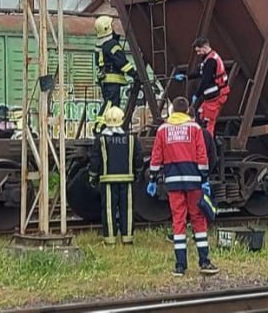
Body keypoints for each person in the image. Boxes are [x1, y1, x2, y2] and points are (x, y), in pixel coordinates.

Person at [147, 96, 219, 276]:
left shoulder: (163, 130)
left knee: (178, 221)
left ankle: (180, 266)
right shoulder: (195, 128)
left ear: (172, 110)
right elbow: (202, 156)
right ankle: (204, 261)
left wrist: (153, 178)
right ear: (187, 110)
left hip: (173, 182)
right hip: (194, 181)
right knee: (198, 219)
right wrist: (204, 179)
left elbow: (156, 156)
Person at [88, 106, 142, 245]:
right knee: (128, 209)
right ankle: (127, 238)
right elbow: (138, 159)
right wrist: (138, 173)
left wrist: (92, 176)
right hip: (127, 179)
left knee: (108, 210)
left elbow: (95, 159)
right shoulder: (131, 139)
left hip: (107, 180)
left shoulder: (100, 139)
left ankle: (110, 239)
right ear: (122, 120)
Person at [173, 37, 229, 137]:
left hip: (216, 96)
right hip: (214, 94)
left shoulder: (211, 61)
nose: (198, 54)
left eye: (199, 51)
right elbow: (201, 73)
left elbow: (205, 81)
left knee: (208, 122)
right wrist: (187, 77)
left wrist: (197, 94)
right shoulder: (211, 57)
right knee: (200, 114)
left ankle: (208, 143)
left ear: (204, 47)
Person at [93, 15, 137, 134]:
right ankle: (99, 127)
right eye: (111, 25)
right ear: (107, 28)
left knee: (113, 105)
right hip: (112, 80)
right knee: (110, 103)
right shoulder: (112, 45)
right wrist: (134, 74)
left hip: (105, 79)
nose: (113, 26)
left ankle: (111, 128)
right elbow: (121, 62)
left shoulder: (100, 45)